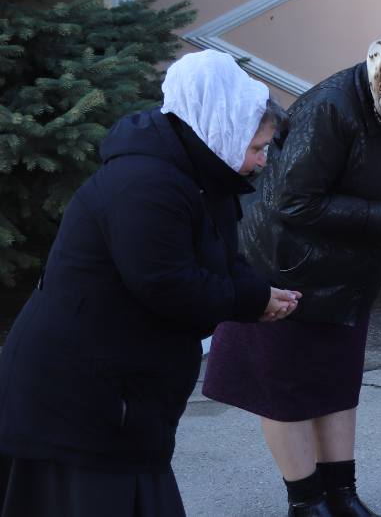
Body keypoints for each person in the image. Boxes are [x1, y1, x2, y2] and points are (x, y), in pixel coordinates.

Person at [0, 51, 297, 517]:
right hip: (80, 391)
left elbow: (223, 257)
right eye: (257, 148)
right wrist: (252, 300)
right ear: (220, 127)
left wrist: (259, 293)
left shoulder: (203, 174)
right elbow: (166, 284)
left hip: (123, 386)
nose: (261, 162)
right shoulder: (145, 183)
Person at [203, 30, 381, 517]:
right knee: (286, 391)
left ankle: (342, 496)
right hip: (286, 267)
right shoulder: (329, 108)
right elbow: (294, 202)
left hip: (347, 273)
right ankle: (307, 503)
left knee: (336, 383)